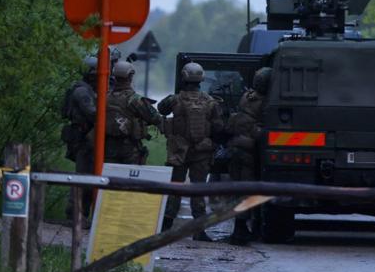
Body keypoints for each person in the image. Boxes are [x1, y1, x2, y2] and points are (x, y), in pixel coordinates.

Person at [158, 61, 224, 240]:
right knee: (198, 189)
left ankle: (165, 228)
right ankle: (199, 230)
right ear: (201, 79)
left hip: (178, 151)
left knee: (175, 188)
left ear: (184, 78)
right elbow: (218, 127)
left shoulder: (175, 100)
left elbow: (160, 109)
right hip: (201, 153)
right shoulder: (210, 102)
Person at [225, 67, 272, 245]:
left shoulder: (247, 97)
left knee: (238, 189)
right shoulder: (265, 102)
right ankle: (241, 229)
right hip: (249, 150)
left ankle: (241, 227)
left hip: (235, 147)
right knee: (247, 191)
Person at [60, 56, 97, 222]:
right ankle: (74, 215)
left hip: (85, 139)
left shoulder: (86, 89)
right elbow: (92, 112)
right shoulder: (83, 91)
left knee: (87, 177)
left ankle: (81, 215)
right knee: (83, 178)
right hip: (83, 140)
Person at [105, 61, 163, 164]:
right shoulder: (134, 99)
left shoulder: (105, 97)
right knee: (130, 179)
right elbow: (155, 118)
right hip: (129, 148)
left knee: (108, 177)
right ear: (130, 76)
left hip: (107, 148)